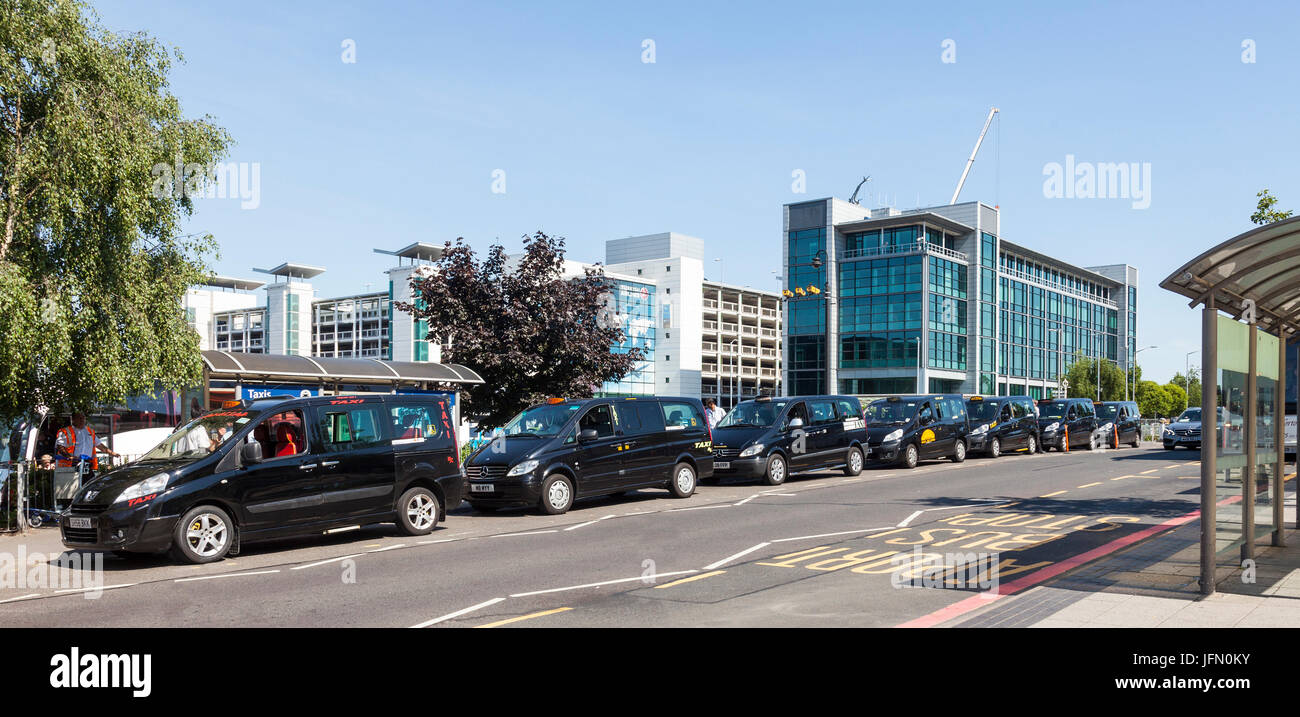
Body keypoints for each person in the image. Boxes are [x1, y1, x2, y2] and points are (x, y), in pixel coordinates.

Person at [54, 413, 119, 478]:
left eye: (83, 418)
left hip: (86, 463)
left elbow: (100, 445)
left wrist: (112, 453)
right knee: (74, 485)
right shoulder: (65, 431)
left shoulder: (89, 431)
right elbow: (60, 447)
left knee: (89, 484)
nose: (82, 420)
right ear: (73, 420)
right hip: (71, 464)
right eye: (79, 418)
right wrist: (69, 457)